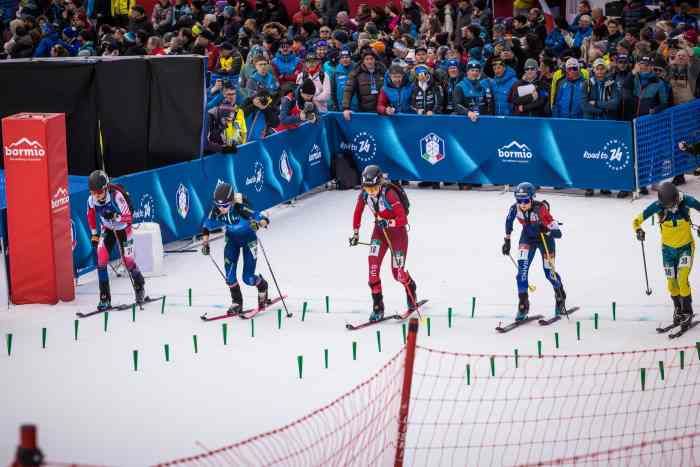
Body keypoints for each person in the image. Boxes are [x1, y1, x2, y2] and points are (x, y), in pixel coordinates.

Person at [350, 165, 417, 322]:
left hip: (398, 235)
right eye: (368, 188)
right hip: (379, 234)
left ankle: (411, 288)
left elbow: (403, 219)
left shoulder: (390, 194)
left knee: (397, 274)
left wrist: (388, 222)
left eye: (374, 188)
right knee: (372, 268)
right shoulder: (364, 195)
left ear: (380, 183)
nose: (371, 191)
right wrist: (355, 233)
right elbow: (357, 212)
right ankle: (378, 306)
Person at [633, 182, 700, 328]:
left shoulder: (686, 201)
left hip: (686, 247)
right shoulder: (657, 206)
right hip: (667, 250)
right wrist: (638, 230)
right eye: (668, 204)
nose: (671, 206)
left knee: (682, 279)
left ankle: (687, 311)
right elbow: (636, 220)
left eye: (673, 203)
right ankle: (678, 309)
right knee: (671, 282)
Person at [200, 182, 271, 315]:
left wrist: (260, 224)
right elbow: (206, 226)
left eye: (225, 205)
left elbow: (262, 218)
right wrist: (205, 243)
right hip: (232, 240)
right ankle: (237, 302)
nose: (221, 209)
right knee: (230, 277)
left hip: (249, 240)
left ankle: (262, 286)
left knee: (248, 278)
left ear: (232, 202)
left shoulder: (240, 207)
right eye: (219, 205)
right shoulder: (217, 210)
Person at [502, 182, 566, 321]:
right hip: (527, 238)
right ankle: (523, 303)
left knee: (549, 273)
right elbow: (508, 222)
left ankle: (560, 295)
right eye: (519, 201)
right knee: (521, 273)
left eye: (525, 201)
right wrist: (507, 241)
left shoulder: (541, 210)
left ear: (532, 198)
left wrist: (547, 230)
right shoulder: (514, 209)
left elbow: (558, 233)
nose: (522, 204)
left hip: (545, 240)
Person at [87, 170, 146, 311]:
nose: (96, 195)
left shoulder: (116, 196)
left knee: (128, 261)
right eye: (93, 192)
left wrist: (114, 215)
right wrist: (94, 235)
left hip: (124, 229)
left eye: (99, 192)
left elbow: (128, 217)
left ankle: (139, 285)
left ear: (106, 187)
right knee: (101, 259)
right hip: (108, 229)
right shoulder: (91, 200)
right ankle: (105, 298)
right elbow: (90, 216)